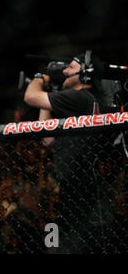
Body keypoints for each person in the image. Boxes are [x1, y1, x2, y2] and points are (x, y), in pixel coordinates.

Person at [24, 50, 108, 253]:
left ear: (85, 74)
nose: (64, 70)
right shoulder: (88, 100)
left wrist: (39, 78)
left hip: (80, 187)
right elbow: (47, 138)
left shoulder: (79, 97)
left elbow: (30, 96)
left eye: (70, 67)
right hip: (80, 185)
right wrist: (49, 95)